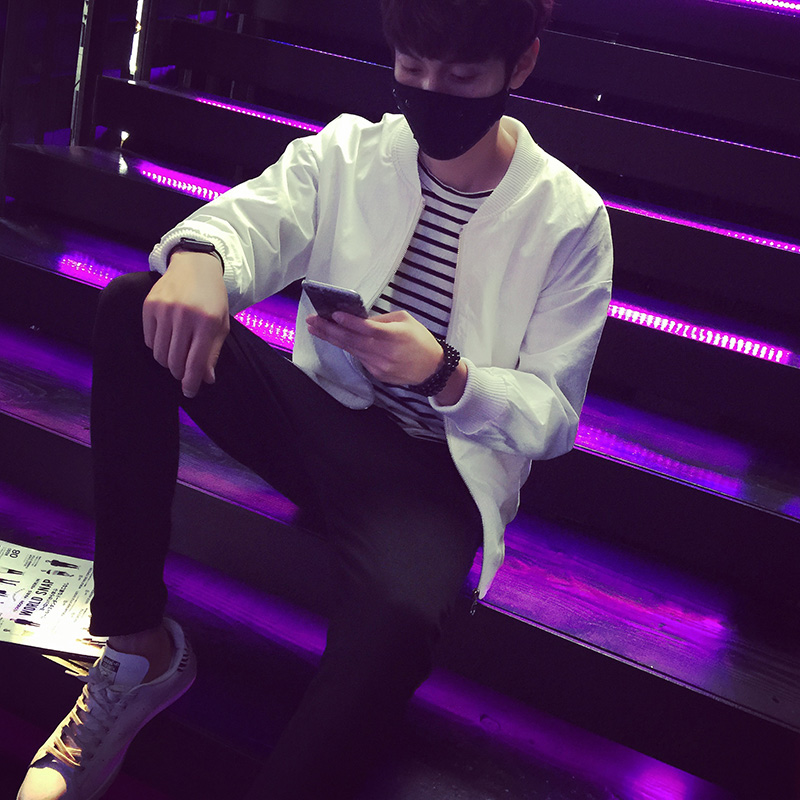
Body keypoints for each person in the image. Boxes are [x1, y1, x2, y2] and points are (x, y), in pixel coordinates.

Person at [17, 0, 612, 797]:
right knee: (134, 307)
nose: (430, 92)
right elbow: (254, 221)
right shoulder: (353, 152)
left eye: (462, 76)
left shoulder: (568, 219)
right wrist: (201, 257)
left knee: (400, 617)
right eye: (412, 69)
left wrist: (445, 373)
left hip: (437, 479)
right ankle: (138, 649)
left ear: (522, 65)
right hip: (322, 424)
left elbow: (553, 415)